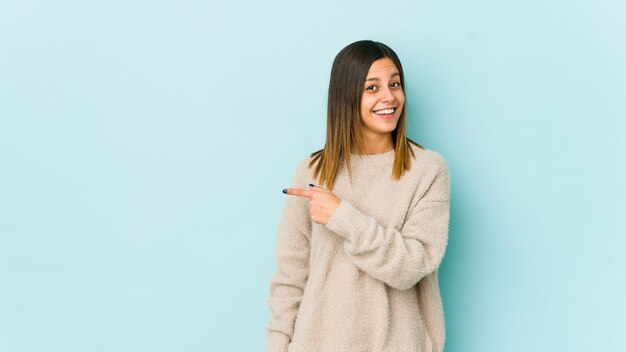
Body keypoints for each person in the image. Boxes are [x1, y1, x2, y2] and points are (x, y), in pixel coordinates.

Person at [266, 40, 451, 352]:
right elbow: (290, 277)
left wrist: (341, 216)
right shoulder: (311, 172)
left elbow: (411, 266)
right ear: (346, 95)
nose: (389, 97)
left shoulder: (428, 170)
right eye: (372, 88)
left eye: (395, 84)